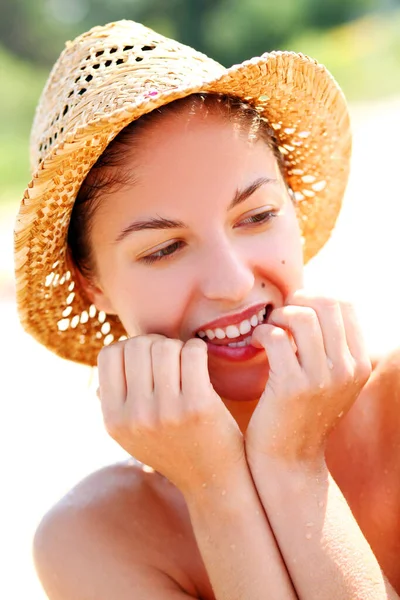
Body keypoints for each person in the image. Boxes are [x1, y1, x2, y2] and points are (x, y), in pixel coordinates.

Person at [14, 19, 400, 600]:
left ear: (292, 211)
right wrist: (216, 489)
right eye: (164, 248)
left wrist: (295, 467)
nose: (232, 281)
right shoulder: (95, 540)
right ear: (92, 285)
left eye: (257, 216)